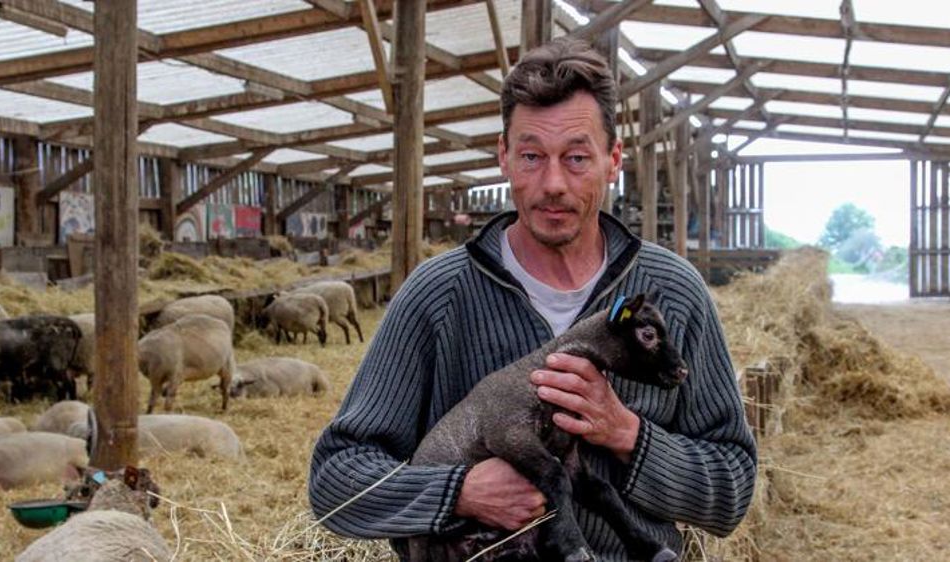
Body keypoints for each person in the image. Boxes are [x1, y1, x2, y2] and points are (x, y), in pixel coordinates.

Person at [308, 37, 757, 560]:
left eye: (576, 158)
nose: (552, 184)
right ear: (503, 157)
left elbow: (732, 489)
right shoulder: (438, 294)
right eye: (530, 156)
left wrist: (627, 433)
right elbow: (337, 478)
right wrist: (460, 492)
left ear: (613, 160)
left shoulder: (673, 292)